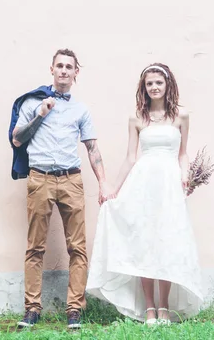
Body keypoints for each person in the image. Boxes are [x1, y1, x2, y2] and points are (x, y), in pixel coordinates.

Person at [86, 63, 203, 325]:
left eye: (158, 83)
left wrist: (186, 177)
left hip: (169, 185)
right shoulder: (137, 118)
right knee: (144, 243)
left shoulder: (181, 117)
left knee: (167, 243)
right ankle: (149, 308)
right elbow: (130, 157)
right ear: (144, 87)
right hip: (143, 184)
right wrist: (112, 190)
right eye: (149, 84)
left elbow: (183, 154)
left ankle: (164, 307)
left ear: (168, 84)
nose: (154, 87)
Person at [9, 48, 114, 329]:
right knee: (35, 248)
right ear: (52, 70)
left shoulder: (80, 109)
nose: (64, 70)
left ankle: (74, 310)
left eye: (69, 66)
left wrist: (103, 182)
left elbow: (92, 148)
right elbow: (17, 140)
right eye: (60, 66)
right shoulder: (33, 102)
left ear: (76, 72)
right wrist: (40, 114)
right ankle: (32, 309)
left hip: (71, 180)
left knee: (77, 248)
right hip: (40, 178)